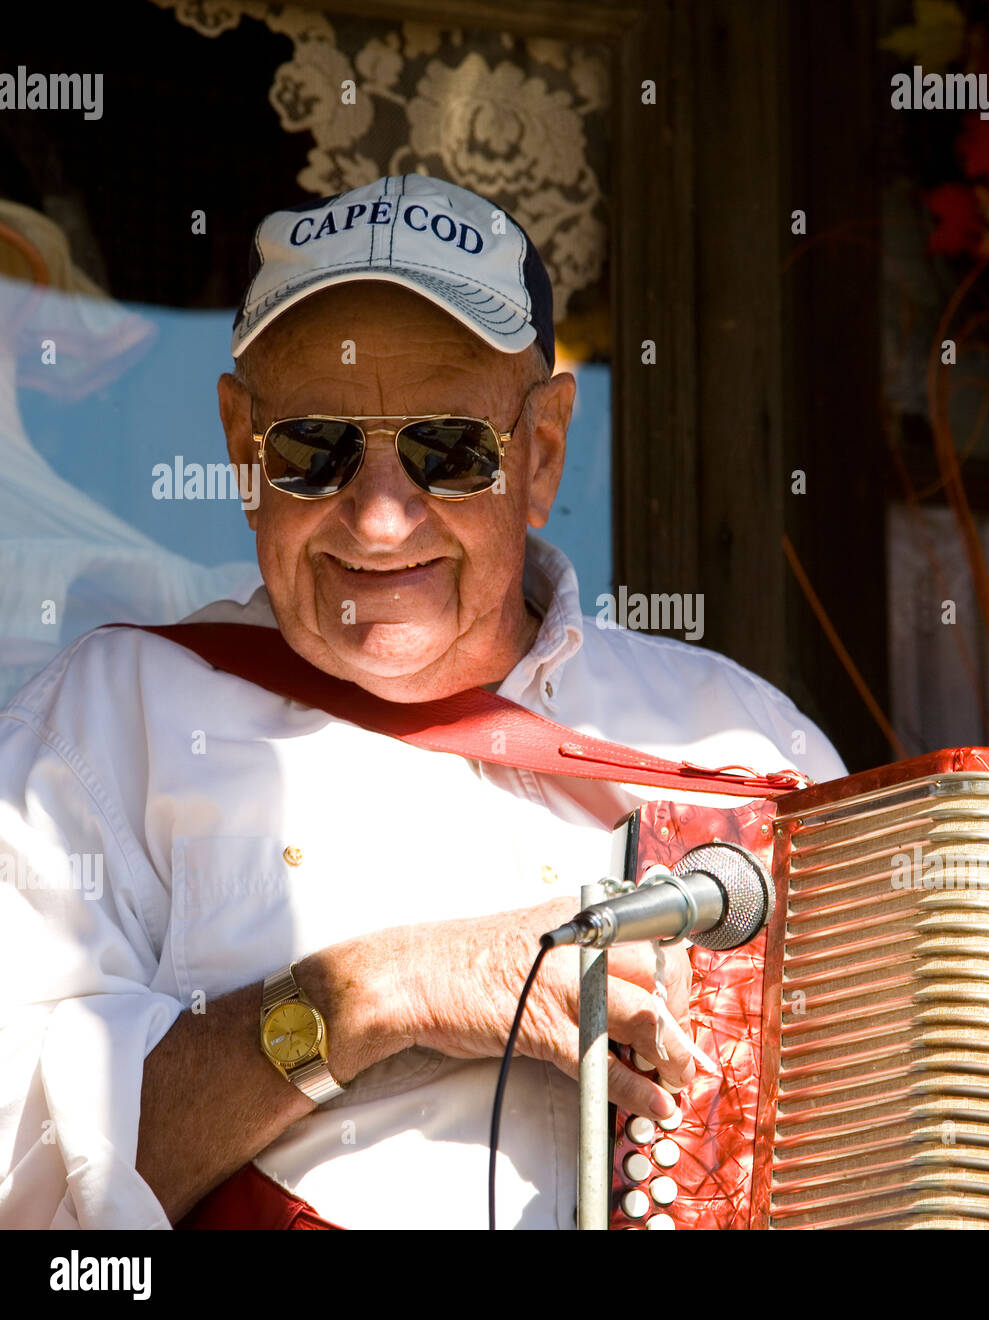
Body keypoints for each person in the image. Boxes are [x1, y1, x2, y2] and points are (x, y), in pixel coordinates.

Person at [0, 174, 845, 1230]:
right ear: (242, 448)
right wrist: (391, 989)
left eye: (450, 451)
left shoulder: (746, 744)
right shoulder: (107, 726)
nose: (382, 519)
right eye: (317, 448)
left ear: (540, 454)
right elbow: (20, 1189)